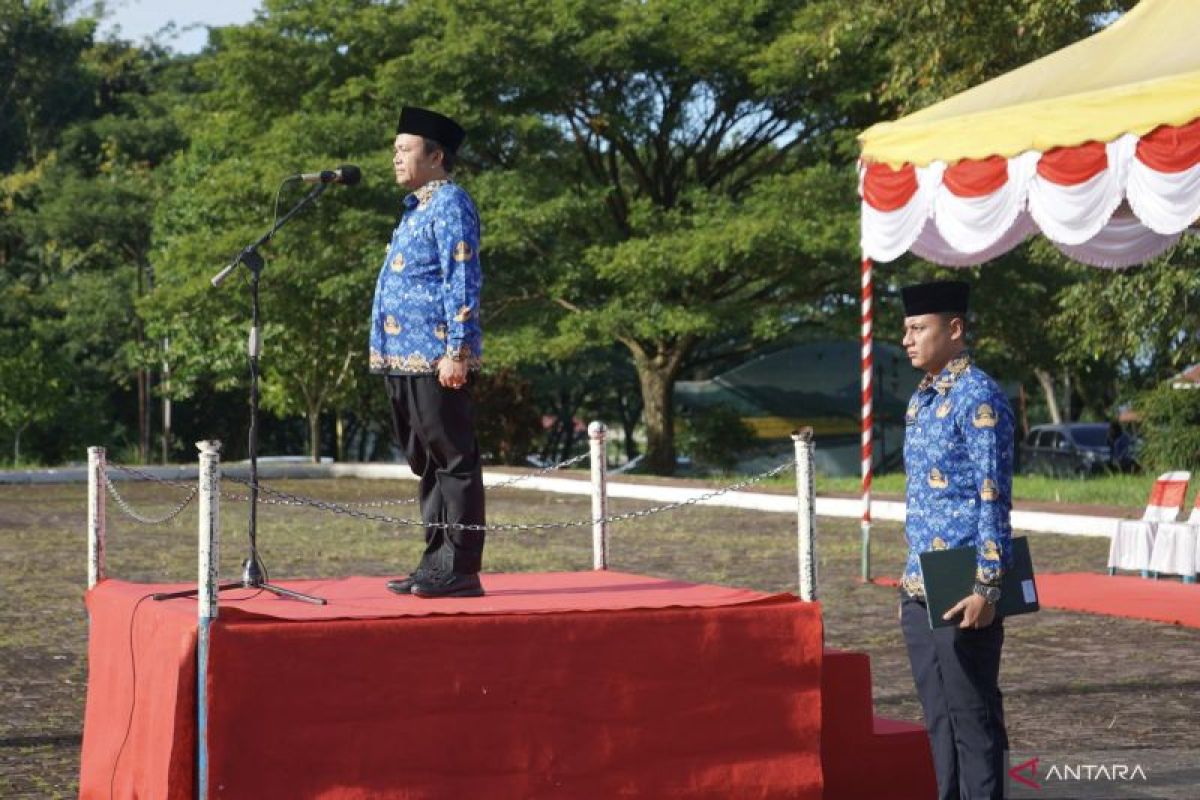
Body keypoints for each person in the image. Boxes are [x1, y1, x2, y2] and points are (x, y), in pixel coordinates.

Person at [897, 280, 1014, 800]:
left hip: (964, 582)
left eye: (919, 328)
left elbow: (994, 495)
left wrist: (989, 586)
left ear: (956, 330)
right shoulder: (921, 400)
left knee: (973, 721)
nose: (907, 339)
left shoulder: (979, 397)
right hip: (921, 581)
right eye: (905, 329)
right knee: (938, 721)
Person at [370, 106, 486, 599]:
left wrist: (456, 350)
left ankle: (460, 567)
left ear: (437, 156)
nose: (396, 157)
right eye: (395, 149)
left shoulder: (451, 203)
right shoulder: (415, 207)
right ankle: (434, 561)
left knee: (453, 460)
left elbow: (462, 276)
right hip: (400, 356)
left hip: (437, 355)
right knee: (429, 462)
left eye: (406, 149)